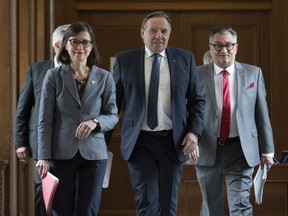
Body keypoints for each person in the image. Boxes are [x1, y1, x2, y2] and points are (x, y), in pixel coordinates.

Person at [107, 11, 205, 215]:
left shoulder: (185, 59)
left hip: (173, 141)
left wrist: (193, 132)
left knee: (168, 205)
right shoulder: (125, 60)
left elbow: (197, 102)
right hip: (140, 142)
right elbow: (112, 106)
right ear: (142, 33)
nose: (159, 35)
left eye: (164, 31)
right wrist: (101, 144)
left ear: (169, 34)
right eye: (153, 30)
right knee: (147, 203)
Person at [36, 22, 119, 216]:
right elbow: (44, 119)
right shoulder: (53, 76)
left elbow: (113, 115)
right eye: (74, 42)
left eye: (85, 42)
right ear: (65, 45)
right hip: (61, 153)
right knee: (60, 210)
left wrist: (96, 122)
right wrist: (43, 156)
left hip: (94, 154)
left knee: (88, 210)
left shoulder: (105, 77)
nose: (80, 47)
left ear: (91, 46)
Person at [192, 25, 275, 216]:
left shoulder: (253, 73)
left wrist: (268, 150)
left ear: (236, 47)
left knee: (240, 205)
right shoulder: (196, 75)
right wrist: (191, 137)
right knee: (211, 207)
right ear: (211, 47)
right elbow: (189, 112)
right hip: (207, 147)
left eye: (229, 45)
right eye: (218, 46)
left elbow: (262, 114)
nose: (224, 50)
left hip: (240, 149)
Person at [14, 24, 70, 216]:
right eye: (71, 42)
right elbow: (23, 109)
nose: (77, 47)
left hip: (70, 143)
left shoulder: (81, 70)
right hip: (41, 144)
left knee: (68, 194)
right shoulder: (36, 70)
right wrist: (20, 142)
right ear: (57, 46)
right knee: (44, 191)